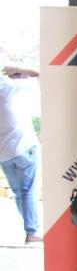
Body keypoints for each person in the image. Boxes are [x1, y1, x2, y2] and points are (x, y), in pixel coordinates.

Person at [0, 65, 42, 243]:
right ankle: (32, 232)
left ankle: (30, 228)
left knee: (19, 193)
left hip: (4, 153)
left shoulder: (9, 88)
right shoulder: (12, 88)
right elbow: (41, 74)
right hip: (24, 147)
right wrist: (15, 69)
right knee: (28, 191)